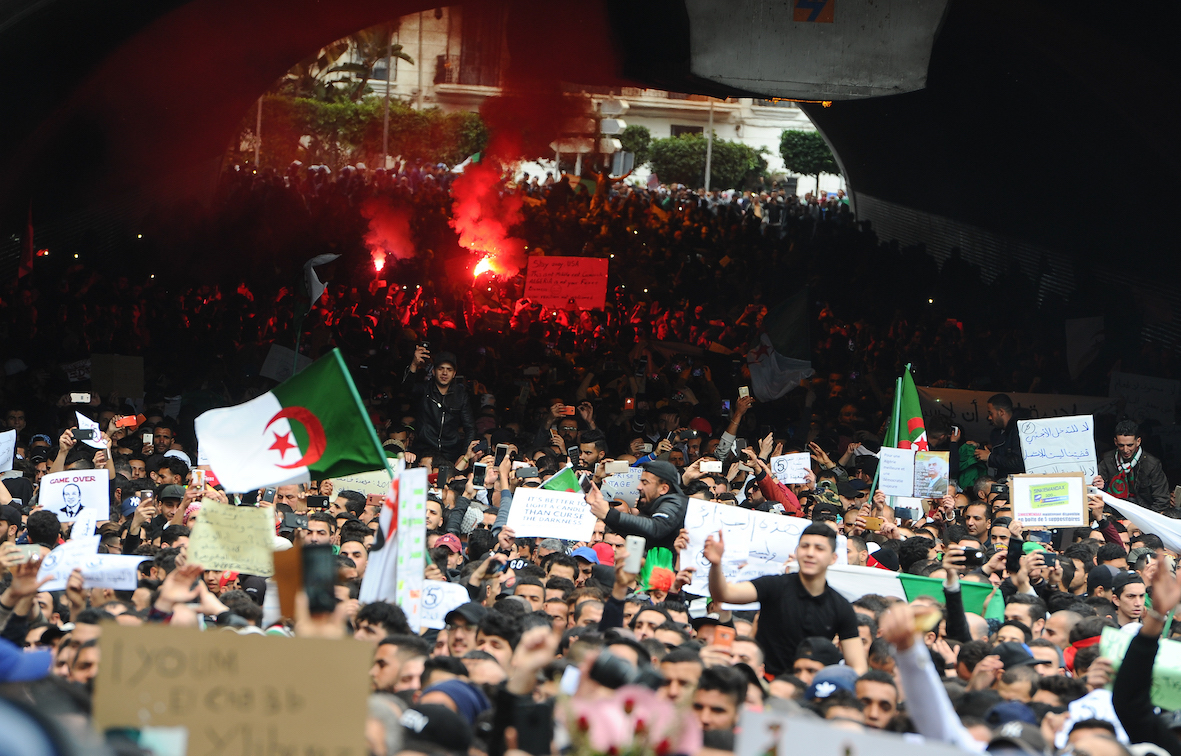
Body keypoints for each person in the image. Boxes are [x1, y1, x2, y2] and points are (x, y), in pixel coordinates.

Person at [704, 522, 866, 677]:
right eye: (805, 546)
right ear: (796, 551)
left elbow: (858, 666)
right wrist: (716, 565)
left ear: (833, 558)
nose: (810, 553)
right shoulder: (774, 585)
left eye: (819, 548)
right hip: (764, 683)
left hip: (807, 690)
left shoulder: (841, 607)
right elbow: (724, 594)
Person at [584, 460, 687, 553]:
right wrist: (597, 482)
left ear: (663, 489)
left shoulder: (676, 502)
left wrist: (608, 513)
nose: (638, 487)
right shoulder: (652, 506)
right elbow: (633, 532)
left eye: (645, 483)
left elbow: (656, 527)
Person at [404, 346, 474, 462]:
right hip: (423, 451)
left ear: (454, 373)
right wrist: (414, 365)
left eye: (449, 369)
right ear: (433, 371)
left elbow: (470, 427)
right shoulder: (424, 390)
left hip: (450, 453)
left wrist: (464, 454)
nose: (445, 373)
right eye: (441, 368)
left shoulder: (461, 396)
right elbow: (406, 389)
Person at [1097, 420, 1170, 511]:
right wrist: (1100, 486)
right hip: (1113, 511)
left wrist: (1144, 520)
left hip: (1143, 513)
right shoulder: (1107, 460)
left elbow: (1162, 500)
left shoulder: (1152, 464)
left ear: (1138, 441)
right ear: (1115, 442)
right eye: (1121, 445)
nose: (1125, 450)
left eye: (1130, 445)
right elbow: (1095, 492)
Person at [976, 393, 1025, 478]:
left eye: (991, 413)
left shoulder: (1020, 430)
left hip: (1015, 482)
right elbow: (1001, 451)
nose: (989, 418)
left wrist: (989, 457)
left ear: (1001, 412)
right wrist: (978, 446)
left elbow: (1018, 462)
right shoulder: (998, 431)